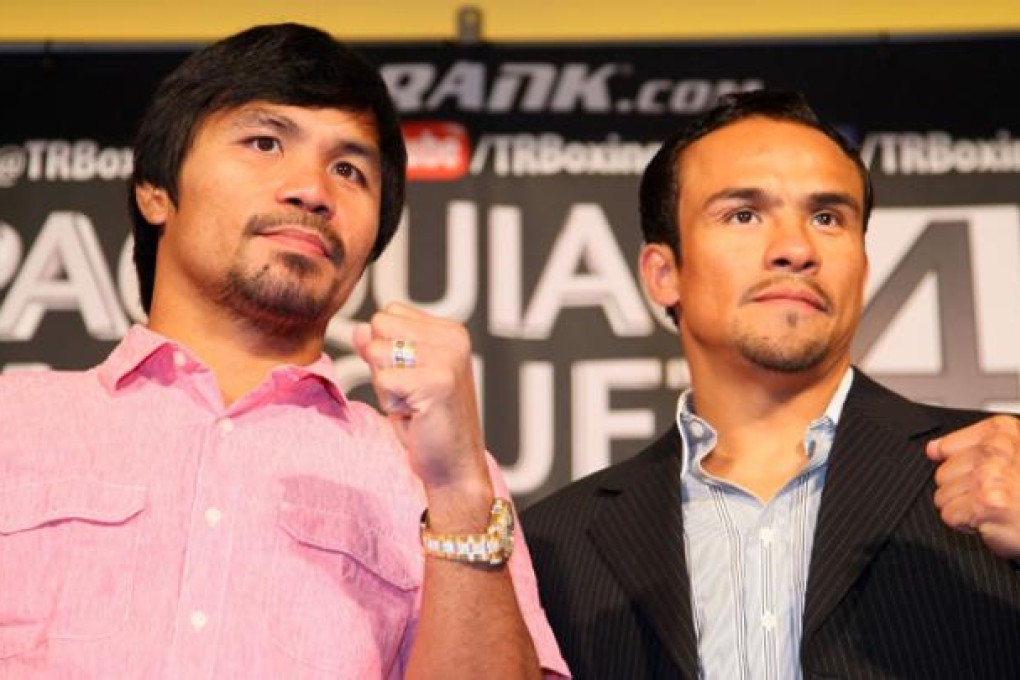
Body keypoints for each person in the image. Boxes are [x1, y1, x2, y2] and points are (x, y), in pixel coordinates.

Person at [0, 23, 568, 679]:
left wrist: (460, 491)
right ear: (155, 191)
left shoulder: (433, 479)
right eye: (265, 143)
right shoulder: (15, 424)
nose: (312, 190)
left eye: (349, 170)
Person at [521, 89, 1020, 679]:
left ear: (862, 264)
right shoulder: (555, 546)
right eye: (744, 214)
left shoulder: (998, 468)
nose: (795, 249)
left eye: (827, 217)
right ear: (663, 274)